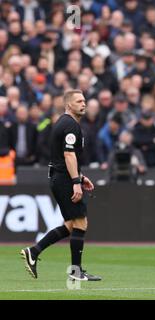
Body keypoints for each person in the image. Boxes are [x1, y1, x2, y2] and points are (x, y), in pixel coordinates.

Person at [20, 89, 101, 282]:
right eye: (79, 101)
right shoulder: (70, 125)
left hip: (61, 177)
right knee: (81, 223)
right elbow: (68, 155)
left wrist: (81, 177)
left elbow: (63, 158)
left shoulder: (65, 123)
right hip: (64, 180)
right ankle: (76, 270)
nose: (84, 104)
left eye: (84, 100)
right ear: (68, 105)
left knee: (71, 225)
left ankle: (34, 251)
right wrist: (75, 182)